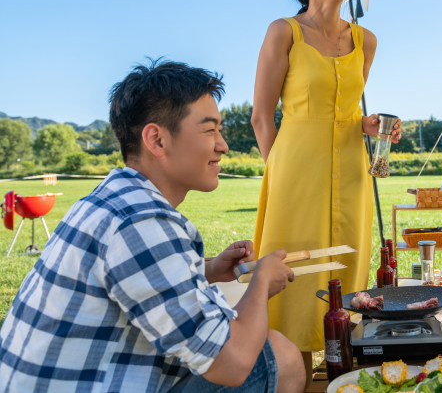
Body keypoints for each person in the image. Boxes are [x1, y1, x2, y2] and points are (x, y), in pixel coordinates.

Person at [0, 60, 305, 393]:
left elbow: (127, 277)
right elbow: (232, 364)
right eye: (209, 130)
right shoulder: (142, 222)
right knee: (280, 356)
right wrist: (260, 283)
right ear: (157, 140)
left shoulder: (113, 199)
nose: (222, 145)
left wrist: (209, 269)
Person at [250, 0, 401, 373]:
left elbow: (348, 109)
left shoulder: (366, 41)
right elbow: (262, 117)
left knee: (345, 271)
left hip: (353, 171)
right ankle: (292, 374)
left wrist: (367, 126)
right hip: (293, 173)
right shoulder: (284, 31)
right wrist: (277, 176)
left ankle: (344, 376)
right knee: (294, 277)